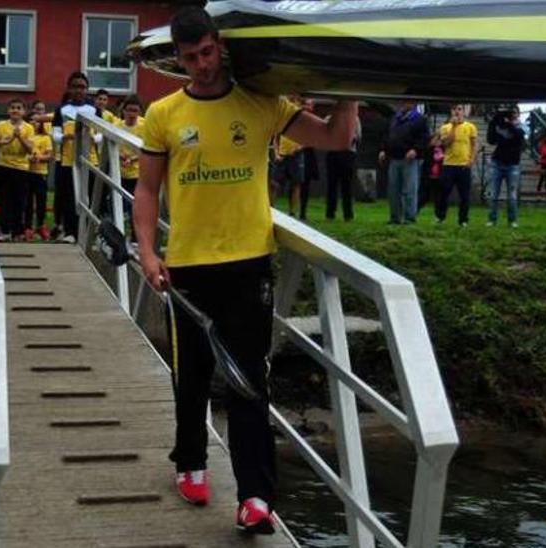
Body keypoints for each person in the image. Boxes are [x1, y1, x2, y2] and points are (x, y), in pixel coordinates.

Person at [132, 7, 357, 535]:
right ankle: (190, 461)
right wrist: (147, 251)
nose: (201, 65)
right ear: (179, 58)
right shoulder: (163, 113)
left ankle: (255, 496)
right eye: (189, 57)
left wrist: (349, 88)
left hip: (248, 262)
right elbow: (146, 189)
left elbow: (335, 137)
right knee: (192, 376)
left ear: (220, 45)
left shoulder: (262, 104)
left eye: (207, 53)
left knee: (250, 381)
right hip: (187, 265)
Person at [52, 72, 102, 243]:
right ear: (69, 88)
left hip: (90, 159)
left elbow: (102, 134)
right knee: (69, 196)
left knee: (88, 196)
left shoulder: (94, 110)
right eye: (75, 87)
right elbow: (55, 134)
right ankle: (70, 232)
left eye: (82, 87)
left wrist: (92, 138)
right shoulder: (62, 109)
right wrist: (64, 137)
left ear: (87, 89)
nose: (78, 90)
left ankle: (88, 233)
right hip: (68, 159)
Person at [0, 98, 35, 242]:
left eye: (19, 108)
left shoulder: (28, 127)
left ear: (23, 111)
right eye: (12, 107)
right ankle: (4, 230)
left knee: (19, 200)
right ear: (8, 110)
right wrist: (6, 141)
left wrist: (19, 137)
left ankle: (17, 231)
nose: (15, 110)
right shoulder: (1, 125)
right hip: (4, 166)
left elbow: (30, 148)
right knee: (4, 199)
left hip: (21, 168)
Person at [379, 100, 429, 224]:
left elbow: (425, 138)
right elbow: (387, 135)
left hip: (410, 160)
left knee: (410, 190)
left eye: (406, 101)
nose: (403, 104)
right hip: (394, 158)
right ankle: (395, 218)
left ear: (413, 104)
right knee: (393, 190)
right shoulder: (394, 118)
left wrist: (415, 150)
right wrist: (383, 150)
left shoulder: (419, 120)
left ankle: (410, 218)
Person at [435, 104, 478, 226]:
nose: (457, 112)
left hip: (463, 165)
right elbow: (447, 143)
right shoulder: (445, 127)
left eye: (459, 109)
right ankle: (440, 217)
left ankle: (463, 220)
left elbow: (474, 144)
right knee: (444, 193)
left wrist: (472, 160)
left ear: (464, 111)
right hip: (448, 164)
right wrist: (453, 126)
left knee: (464, 195)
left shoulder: (470, 127)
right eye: (454, 109)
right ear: (451, 111)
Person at [486, 109, 524, 228]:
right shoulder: (499, 126)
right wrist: (493, 123)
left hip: (513, 165)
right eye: (510, 115)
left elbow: (518, 139)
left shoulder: (521, 128)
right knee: (493, 194)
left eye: (514, 115)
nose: (512, 117)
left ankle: (512, 221)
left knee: (512, 196)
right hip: (497, 163)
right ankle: (492, 220)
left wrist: (510, 124)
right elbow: (491, 140)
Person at [115, 94, 146, 231]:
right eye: (129, 110)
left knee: (137, 206)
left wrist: (132, 159)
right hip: (120, 171)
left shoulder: (145, 125)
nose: (132, 114)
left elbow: (148, 147)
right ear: (124, 111)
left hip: (138, 172)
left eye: (135, 110)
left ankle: (136, 236)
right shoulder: (117, 126)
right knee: (120, 205)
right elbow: (112, 146)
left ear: (139, 111)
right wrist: (122, 158)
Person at [25, 103, 54, 241]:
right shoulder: (25, 137)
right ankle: (27, 227)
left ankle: (41, 225)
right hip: (26, 172)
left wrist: (39, 158)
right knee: (28, 200)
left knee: (41, 200)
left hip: (40, 172)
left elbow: (49, 156)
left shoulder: (45, 137)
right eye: (31, 121)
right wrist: (29, 158)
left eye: (37, 121)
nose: (34, 123)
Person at [324, 110, 361, 221]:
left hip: (347, 153)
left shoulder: (355, 119)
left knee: (347, 185)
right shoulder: (329, 117)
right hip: (333, 153)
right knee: (332, 185)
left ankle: (348, 214)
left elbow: (358, 136)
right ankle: (330, 213)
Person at [297, 98, 320, 220]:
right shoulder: (295, 119)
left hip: (307, 154)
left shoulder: (314, 122)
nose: (307, 107)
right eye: (305, 104)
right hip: (293, 152)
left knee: (306, 183)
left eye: (309, 105)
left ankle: (303, 211)